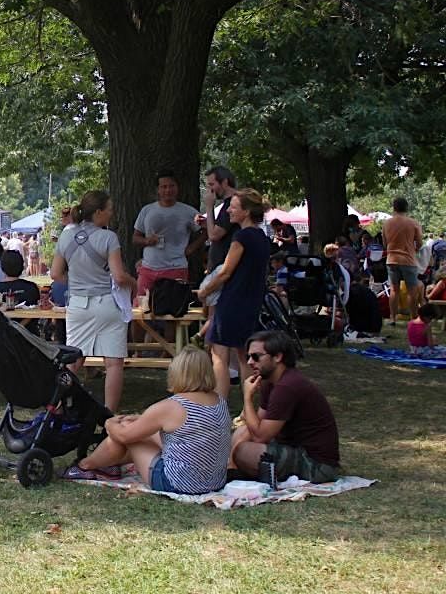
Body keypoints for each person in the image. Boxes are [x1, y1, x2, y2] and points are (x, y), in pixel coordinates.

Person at [61, 347, 231, 494]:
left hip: (176, 483)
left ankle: (84, 466)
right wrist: (141, 420)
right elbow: (190, 430)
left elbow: (124, 436)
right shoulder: (219, 401)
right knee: (137, 429)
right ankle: (108, 465)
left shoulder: (172, 406)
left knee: (127, 431)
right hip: (214, 482)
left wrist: (109, 423)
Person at [50, 190, 135, 413]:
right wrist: (133, 282)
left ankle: (55, 404)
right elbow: (118, 276)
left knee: (73, 360)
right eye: (109, 209)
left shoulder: (66, 236)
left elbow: (55, 274)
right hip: (106, 302)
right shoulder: (108, 238)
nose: (111, 213)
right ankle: (109, 414)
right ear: (98, 212)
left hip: (78, 303)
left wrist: (76, 281)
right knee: (113, 363)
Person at [232, 331, 341, 484]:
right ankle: (232, 469)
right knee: (241, 432)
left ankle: (240, 470)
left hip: (317, 464)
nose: (250, 362)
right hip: (293, 448)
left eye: (256, 357)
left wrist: (247, 398)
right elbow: (256, 425)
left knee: (244, 452)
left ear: (277, 356)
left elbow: (260, 436)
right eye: (248, 357)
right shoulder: (271, 382)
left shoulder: (287, 387)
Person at [197, 188, 272, 399]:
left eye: (233, 207)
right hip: (252, 301)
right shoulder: (261, 237)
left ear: (246, 212)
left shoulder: (241, 237)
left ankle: (219, 403)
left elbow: (225, 272)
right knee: (243, 355)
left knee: (218, 354)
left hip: (233, 301)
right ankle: (248, 405)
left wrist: (205, 291)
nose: (229, 210)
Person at [133, 170, 201, 298]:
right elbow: (135, 238)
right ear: (158, 190)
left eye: (171, 186)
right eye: (164, 187)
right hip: (148, 269)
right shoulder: (147, 210)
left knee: (174, 306)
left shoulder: (188, 212)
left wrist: (192, 248)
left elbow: (206, 230)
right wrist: (147, 241)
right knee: (141, 305)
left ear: (177, 188)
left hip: (176, 268)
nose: (168, 190)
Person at [382, 196, 424, 320]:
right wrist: (414, 250)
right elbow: (420, 243)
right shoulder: (413, 223)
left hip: (392, 259)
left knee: (394, 290)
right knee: (412, 290)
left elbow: (385, 243)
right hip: (408, 260)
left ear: (394, 208)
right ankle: (413, 317)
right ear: (406, 208)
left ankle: (393, 318)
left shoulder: (387, 224)